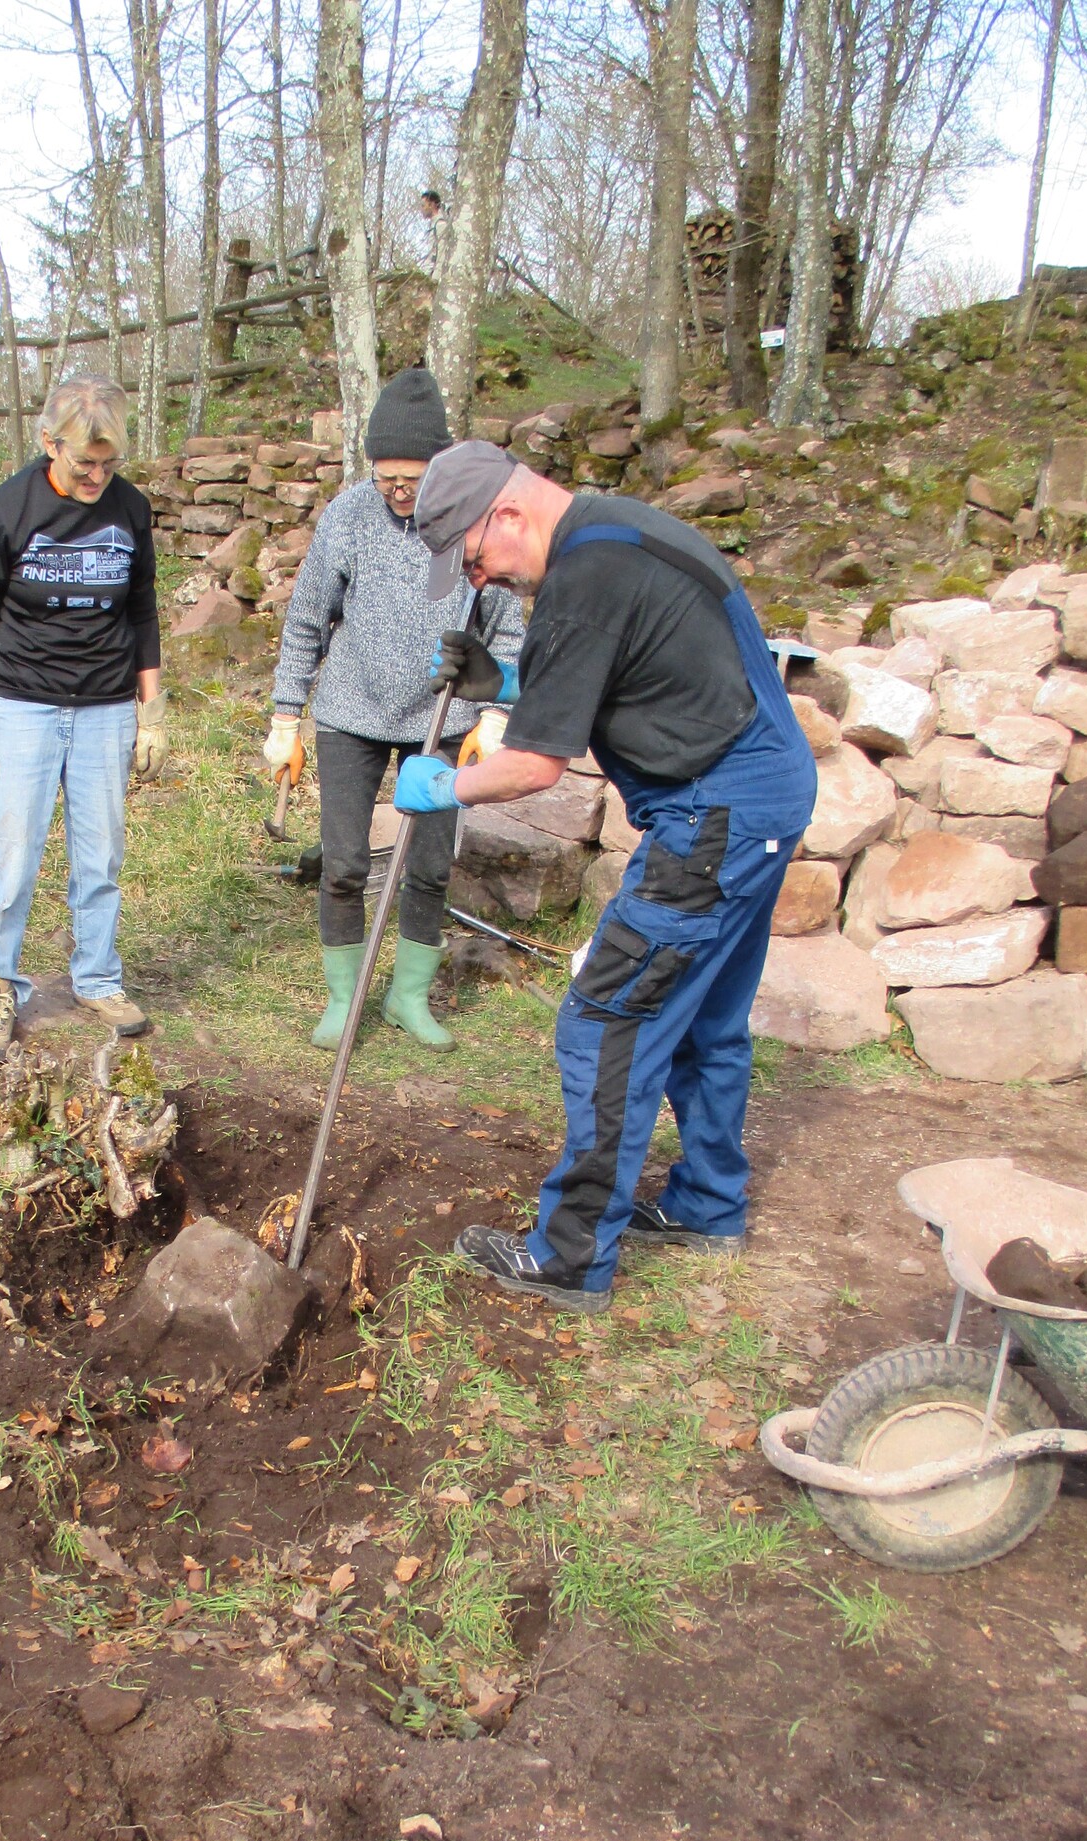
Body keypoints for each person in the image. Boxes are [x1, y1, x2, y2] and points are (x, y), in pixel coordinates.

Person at [390, 438, 817, 1313]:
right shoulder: (618, 533)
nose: (479, 580)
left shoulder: (582, 581)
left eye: (473, 559)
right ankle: (708, 1204)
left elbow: (534, 765)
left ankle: (572, 1255)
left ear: (508, 515)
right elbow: (636, 673)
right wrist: (509, 678)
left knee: (606, 1018)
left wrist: (443, 787)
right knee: (704, 1018)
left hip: (715, 818)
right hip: (765, 796)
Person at [265, 368, 522, 1051]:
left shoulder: (469, 523)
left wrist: (495, 716)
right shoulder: (349, 516)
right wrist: (286, 717)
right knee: (345, 864)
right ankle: (344, 1000)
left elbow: (506, 627)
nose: (400, 491)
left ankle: (407, 997)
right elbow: (307, 620)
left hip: (441, 721)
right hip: (351, 714)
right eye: (387, 479)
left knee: (430, 868)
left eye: (413, 478)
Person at [0, 375, 165, 1064]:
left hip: (106, 705)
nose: (98, 477)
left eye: (109, 463)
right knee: (12, 852)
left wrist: (152, 713)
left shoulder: (130, 509)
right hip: (23, 701)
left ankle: (97, 978)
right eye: (84, 463)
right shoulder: (7, 508)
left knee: (100, 853)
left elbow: (142, 611)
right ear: (50, 443)